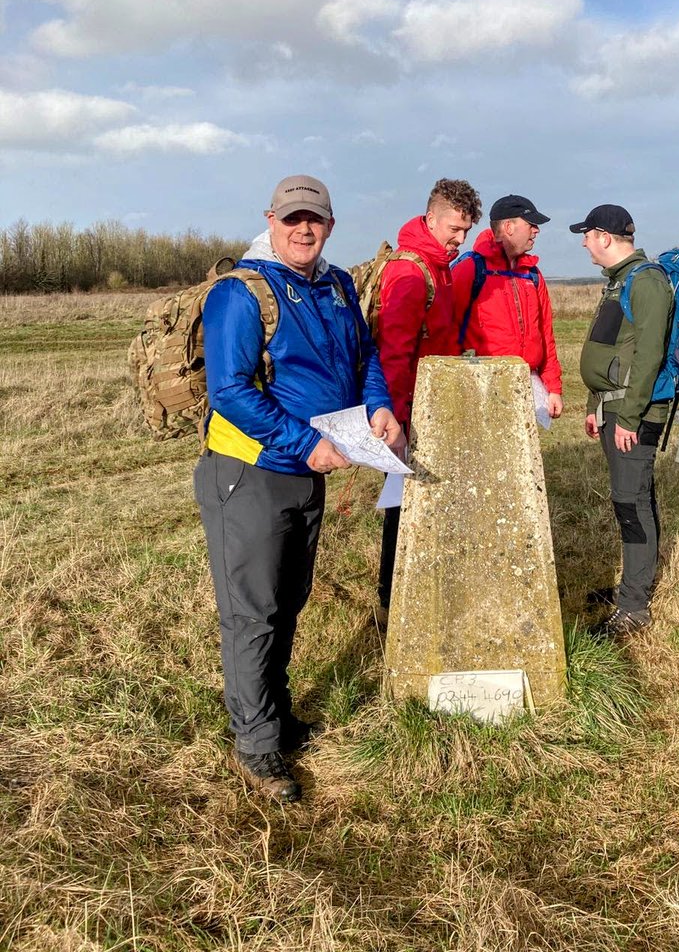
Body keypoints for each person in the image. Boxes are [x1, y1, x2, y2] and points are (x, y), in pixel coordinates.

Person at [195, 174, 402, 802]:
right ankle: (256, 747)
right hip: (249, 473)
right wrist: (303, 443)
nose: (304, 229)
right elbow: (229, 392)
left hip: (310, 470)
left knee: (290, 597)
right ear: (271, 220)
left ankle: (276, 716)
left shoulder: (337, 285)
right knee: (252, 611)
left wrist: (378, 406)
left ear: (331, 225)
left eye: (315, 218)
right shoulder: (240, 292)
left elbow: (364, 355)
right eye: (292, 219)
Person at [374, 177, 482, 620]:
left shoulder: (439, 264)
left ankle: (419, 588)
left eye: (466, 232)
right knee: (401, 506)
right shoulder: (409, 270)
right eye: (454, 229)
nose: (460, 239)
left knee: (425, 502)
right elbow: (394, 354)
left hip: (434, 404)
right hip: (411, 411)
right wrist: (397, 423)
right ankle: (389, 602)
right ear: (431, 217)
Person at [571, 204, 673, 639]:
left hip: (635, 415)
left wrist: (628, 418)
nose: (583, 242)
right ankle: (632, 586)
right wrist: (598, 408)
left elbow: (649, 357)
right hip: (614, 410)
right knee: (632, 500)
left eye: (587, 234)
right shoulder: (619, 282)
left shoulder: (646, 282)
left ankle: (633, 609)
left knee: (631, 505)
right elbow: (617, 353)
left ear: (606, 237)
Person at [451, 194, 563, 418]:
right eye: (531, 224)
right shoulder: (470, 269)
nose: (536, 231)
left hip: (527, 385)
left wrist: (553, 388)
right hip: (481, 387)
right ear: (508, 227)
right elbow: (449, 330)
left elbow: (545, 334)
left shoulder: (532, 274)